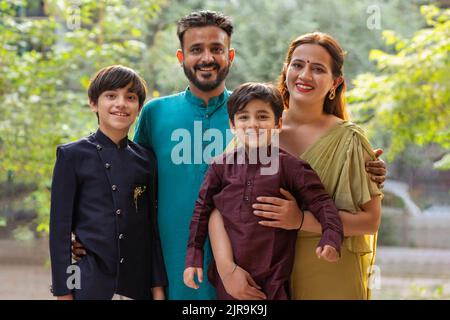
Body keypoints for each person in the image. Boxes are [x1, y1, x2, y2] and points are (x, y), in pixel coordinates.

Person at [72, 11, 386, 300]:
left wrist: (367, 170)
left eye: (217, 49)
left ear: (230, 56)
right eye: (196, 50)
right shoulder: (164, 114)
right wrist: (91, 230)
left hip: (267, 269)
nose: (207, 58)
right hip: (185, 266)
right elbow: (132, 184)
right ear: (181, 57)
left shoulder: (256, 114)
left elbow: (352, 196)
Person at [209, 32, 383, 300]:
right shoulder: (255, 130)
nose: (304, 75)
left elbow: (370, 221)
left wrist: (301, 220)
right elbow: (217, 208)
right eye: (298, 65)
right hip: (263, 273)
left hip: (328, 270)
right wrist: (226, 269)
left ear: (335, 82)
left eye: (318, 69)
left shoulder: (350, 140)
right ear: (286, 70)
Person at [184, 82, 344, 300]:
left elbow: (322, 202)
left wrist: (331, 237)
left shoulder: (292, 167)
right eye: (243, 117)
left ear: (277, 124)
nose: (253, 124)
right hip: (229, 282)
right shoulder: (220, 166)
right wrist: (193, 257)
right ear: (232, 125)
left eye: (262, 116)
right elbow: (202, 210)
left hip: (274, 281)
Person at [49, 65, 167, 300]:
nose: (121, 103)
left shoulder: (147, 159)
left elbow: (151, 231)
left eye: (130, 97)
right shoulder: (72, 155)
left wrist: (157, 289)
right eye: (111, 95)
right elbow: (60, 233)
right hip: (89, 284)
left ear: (139, 108)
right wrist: (64, 293)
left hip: (137, 286)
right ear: (94, 103)